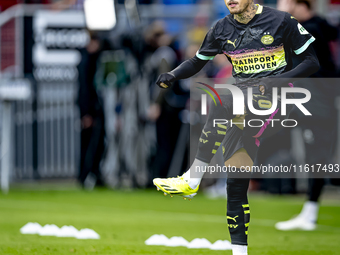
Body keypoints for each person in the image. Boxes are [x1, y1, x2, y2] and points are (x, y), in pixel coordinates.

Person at [152, 1, 320, 255]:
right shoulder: (220, 28)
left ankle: (193, 178)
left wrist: (277, 80)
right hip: (244, 106)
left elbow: (311, 62)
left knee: (223, 98)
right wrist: (173, 75)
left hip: (280, 99)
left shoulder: (281, 20)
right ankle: (239, 252)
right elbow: (198, 61)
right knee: (236, 180)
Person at [275, 0, 339, 231]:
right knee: (319, 159)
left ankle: (309, 215)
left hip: (317, 104)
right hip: (318, 102)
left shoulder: (309, 29)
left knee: (317, 159)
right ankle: (309, 211)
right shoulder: (319, 26)